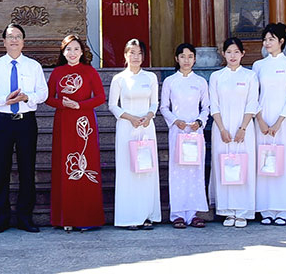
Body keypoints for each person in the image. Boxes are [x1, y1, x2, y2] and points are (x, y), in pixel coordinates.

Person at [0, 23, 48, 233]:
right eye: (10, 37)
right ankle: (1, 218)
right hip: (3, 122)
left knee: (26, 170)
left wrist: (27, 97)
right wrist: (5, 100)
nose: (14, 40)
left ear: (23, 41)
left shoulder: (33, 66)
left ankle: (25, 218)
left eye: (18, 36)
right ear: (3, 41)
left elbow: (43, 93)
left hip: (26, 122)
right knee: (1, 171)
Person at [46, 34, 106, 231]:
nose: (72, 53)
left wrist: (79, 105)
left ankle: (87, 219)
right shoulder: (57, 72)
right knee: (65, 168)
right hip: (63, 121)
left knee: (86, 167)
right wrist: (62, 103)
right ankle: (66, 219)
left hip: (84, 124)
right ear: (63, 52)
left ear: (82, 52)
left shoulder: (89, 72)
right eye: (68, 49)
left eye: (76, 49)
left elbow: (100, 97)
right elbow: (48, 98)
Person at [108, 39, 162, 230]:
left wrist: (149, 116)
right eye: (132, 53)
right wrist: (130, 118)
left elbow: (154, 103)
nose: (136, 57)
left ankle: (147, 215)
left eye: (139, 53)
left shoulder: (150, 78)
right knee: (128, 170)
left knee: (146, 170)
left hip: (146, 127)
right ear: (125, 55)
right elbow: (113, 105)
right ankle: (129, 216)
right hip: (127, 128)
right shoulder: (119, 79)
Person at [208, 37, 259, 228]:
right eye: (229, 52)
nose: (232, 56)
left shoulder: (250, 76)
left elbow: (252, 103)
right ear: (223, 54)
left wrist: (243, 128)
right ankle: (227, 210)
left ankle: (243, 210)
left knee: (244, 166)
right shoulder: (217, 77)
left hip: (244, 129)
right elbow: (214, 104)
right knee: (224, 165)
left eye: (236, 52)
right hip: (222, 129)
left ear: (243, 54)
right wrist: (222, 129)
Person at [253, 23, 286, 226]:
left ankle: (284, 210)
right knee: (264, 162)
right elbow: (254, 96)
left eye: (271, 39)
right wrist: (261, 120)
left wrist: (280, 121)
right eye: (265, 39)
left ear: (281, 41)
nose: (267, 43)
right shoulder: (258, 66)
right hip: (262, 122)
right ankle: (266, 209)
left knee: (284, 163)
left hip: (284, 122)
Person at [161, 43, 210, 229]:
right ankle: (177, 214)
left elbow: (206, 107)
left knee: (195, 171)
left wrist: (199, 122)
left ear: (195, 59)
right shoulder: (170, 81)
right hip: (177, 131)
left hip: (195, 132)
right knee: (177, 170)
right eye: (183, 56)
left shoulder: (200, 82)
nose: (186, 60)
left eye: (190, 56)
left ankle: (194, 213)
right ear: (176, 59)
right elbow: (164, 107)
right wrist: (175, 121)